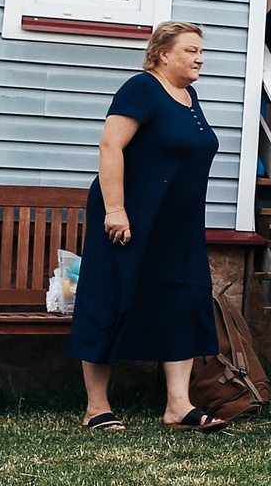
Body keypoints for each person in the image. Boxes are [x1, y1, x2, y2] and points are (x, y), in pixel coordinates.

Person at [70, 22, 228, 434]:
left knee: (182, 300)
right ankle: (96, 407)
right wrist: (116, 209)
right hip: (132, 218)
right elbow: (110, 145)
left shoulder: (188, 96)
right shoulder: (141, 88)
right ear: (163, 54)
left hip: (177, 225)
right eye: (191, 50)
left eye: (200, 51)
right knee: (111, 299)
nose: (200, 58)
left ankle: (179, 405)